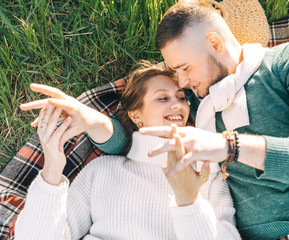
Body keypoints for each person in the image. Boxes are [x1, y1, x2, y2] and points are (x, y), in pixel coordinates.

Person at [57, 1, 289, 240]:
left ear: (214, 43)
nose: (183, 83)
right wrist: (96, 123)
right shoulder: (199, 107)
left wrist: (229, 146)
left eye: (185, 68)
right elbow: (142, 145)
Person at [15, 62, 241, 240]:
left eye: (181, 98)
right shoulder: (101, 170)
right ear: (136, 116)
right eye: (163, 98)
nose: (178, 105)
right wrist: (52, 168)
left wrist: (189, 202)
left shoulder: (208, 171)